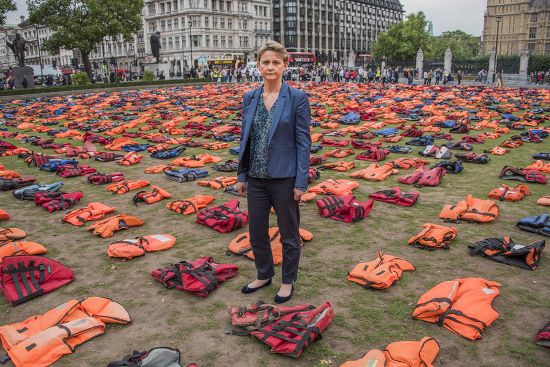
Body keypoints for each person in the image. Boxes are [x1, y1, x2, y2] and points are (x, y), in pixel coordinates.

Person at [236, 40, 311, 304]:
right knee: (257, 232)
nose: (270, 67)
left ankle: (287, 281)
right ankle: (264, 274)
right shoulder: (250, 98)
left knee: (289, 234)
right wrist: (242, 175)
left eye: (276, 62)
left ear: (284, 66)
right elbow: (246, 137)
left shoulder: (297, 98)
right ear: (258, 66)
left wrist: (301, 181)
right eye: (266, 62)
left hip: (285, 179)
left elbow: (303, 142)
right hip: (255, 178)